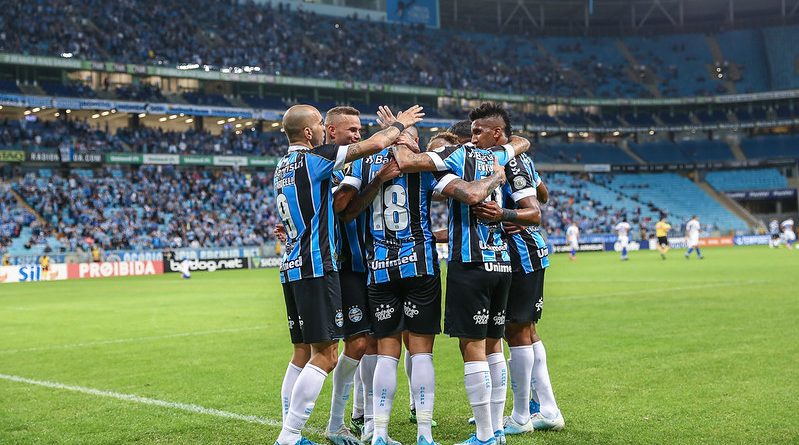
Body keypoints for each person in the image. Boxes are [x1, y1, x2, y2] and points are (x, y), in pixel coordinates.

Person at [273, 103, 424, 445]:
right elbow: (371, 147)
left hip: (294, 266)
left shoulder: (283, 166)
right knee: (325, 355)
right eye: (346, 129)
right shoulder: (318, 160)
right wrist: (398, 125)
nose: (355, 135)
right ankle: (291, 434)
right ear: (316, 132)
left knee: (305, 352)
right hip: (320, 266)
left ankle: (302, 428)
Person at [394, 102, 531, 445]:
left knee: (472, 348)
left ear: (496, 132)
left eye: (477, 131)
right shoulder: (501, 154)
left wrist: (397, 128)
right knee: (494, 346)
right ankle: (497, 430)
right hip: (502, 264)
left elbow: (409, 162)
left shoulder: (460, 156)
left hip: (470, 265)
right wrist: (501, 167)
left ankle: (485, 434)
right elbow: (521, 141)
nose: (469, 137)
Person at [472, 152, 562, 433]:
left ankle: (523, 415)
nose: (475, 140)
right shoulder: (521, 158)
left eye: (479, 133)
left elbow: (536, 208)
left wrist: (509, 214)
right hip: (530, 250)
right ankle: (545, 407)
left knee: (516, 331)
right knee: (526, 330)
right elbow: (543, 194)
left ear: (497, 134)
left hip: (521, 251)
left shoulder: (509, 161)